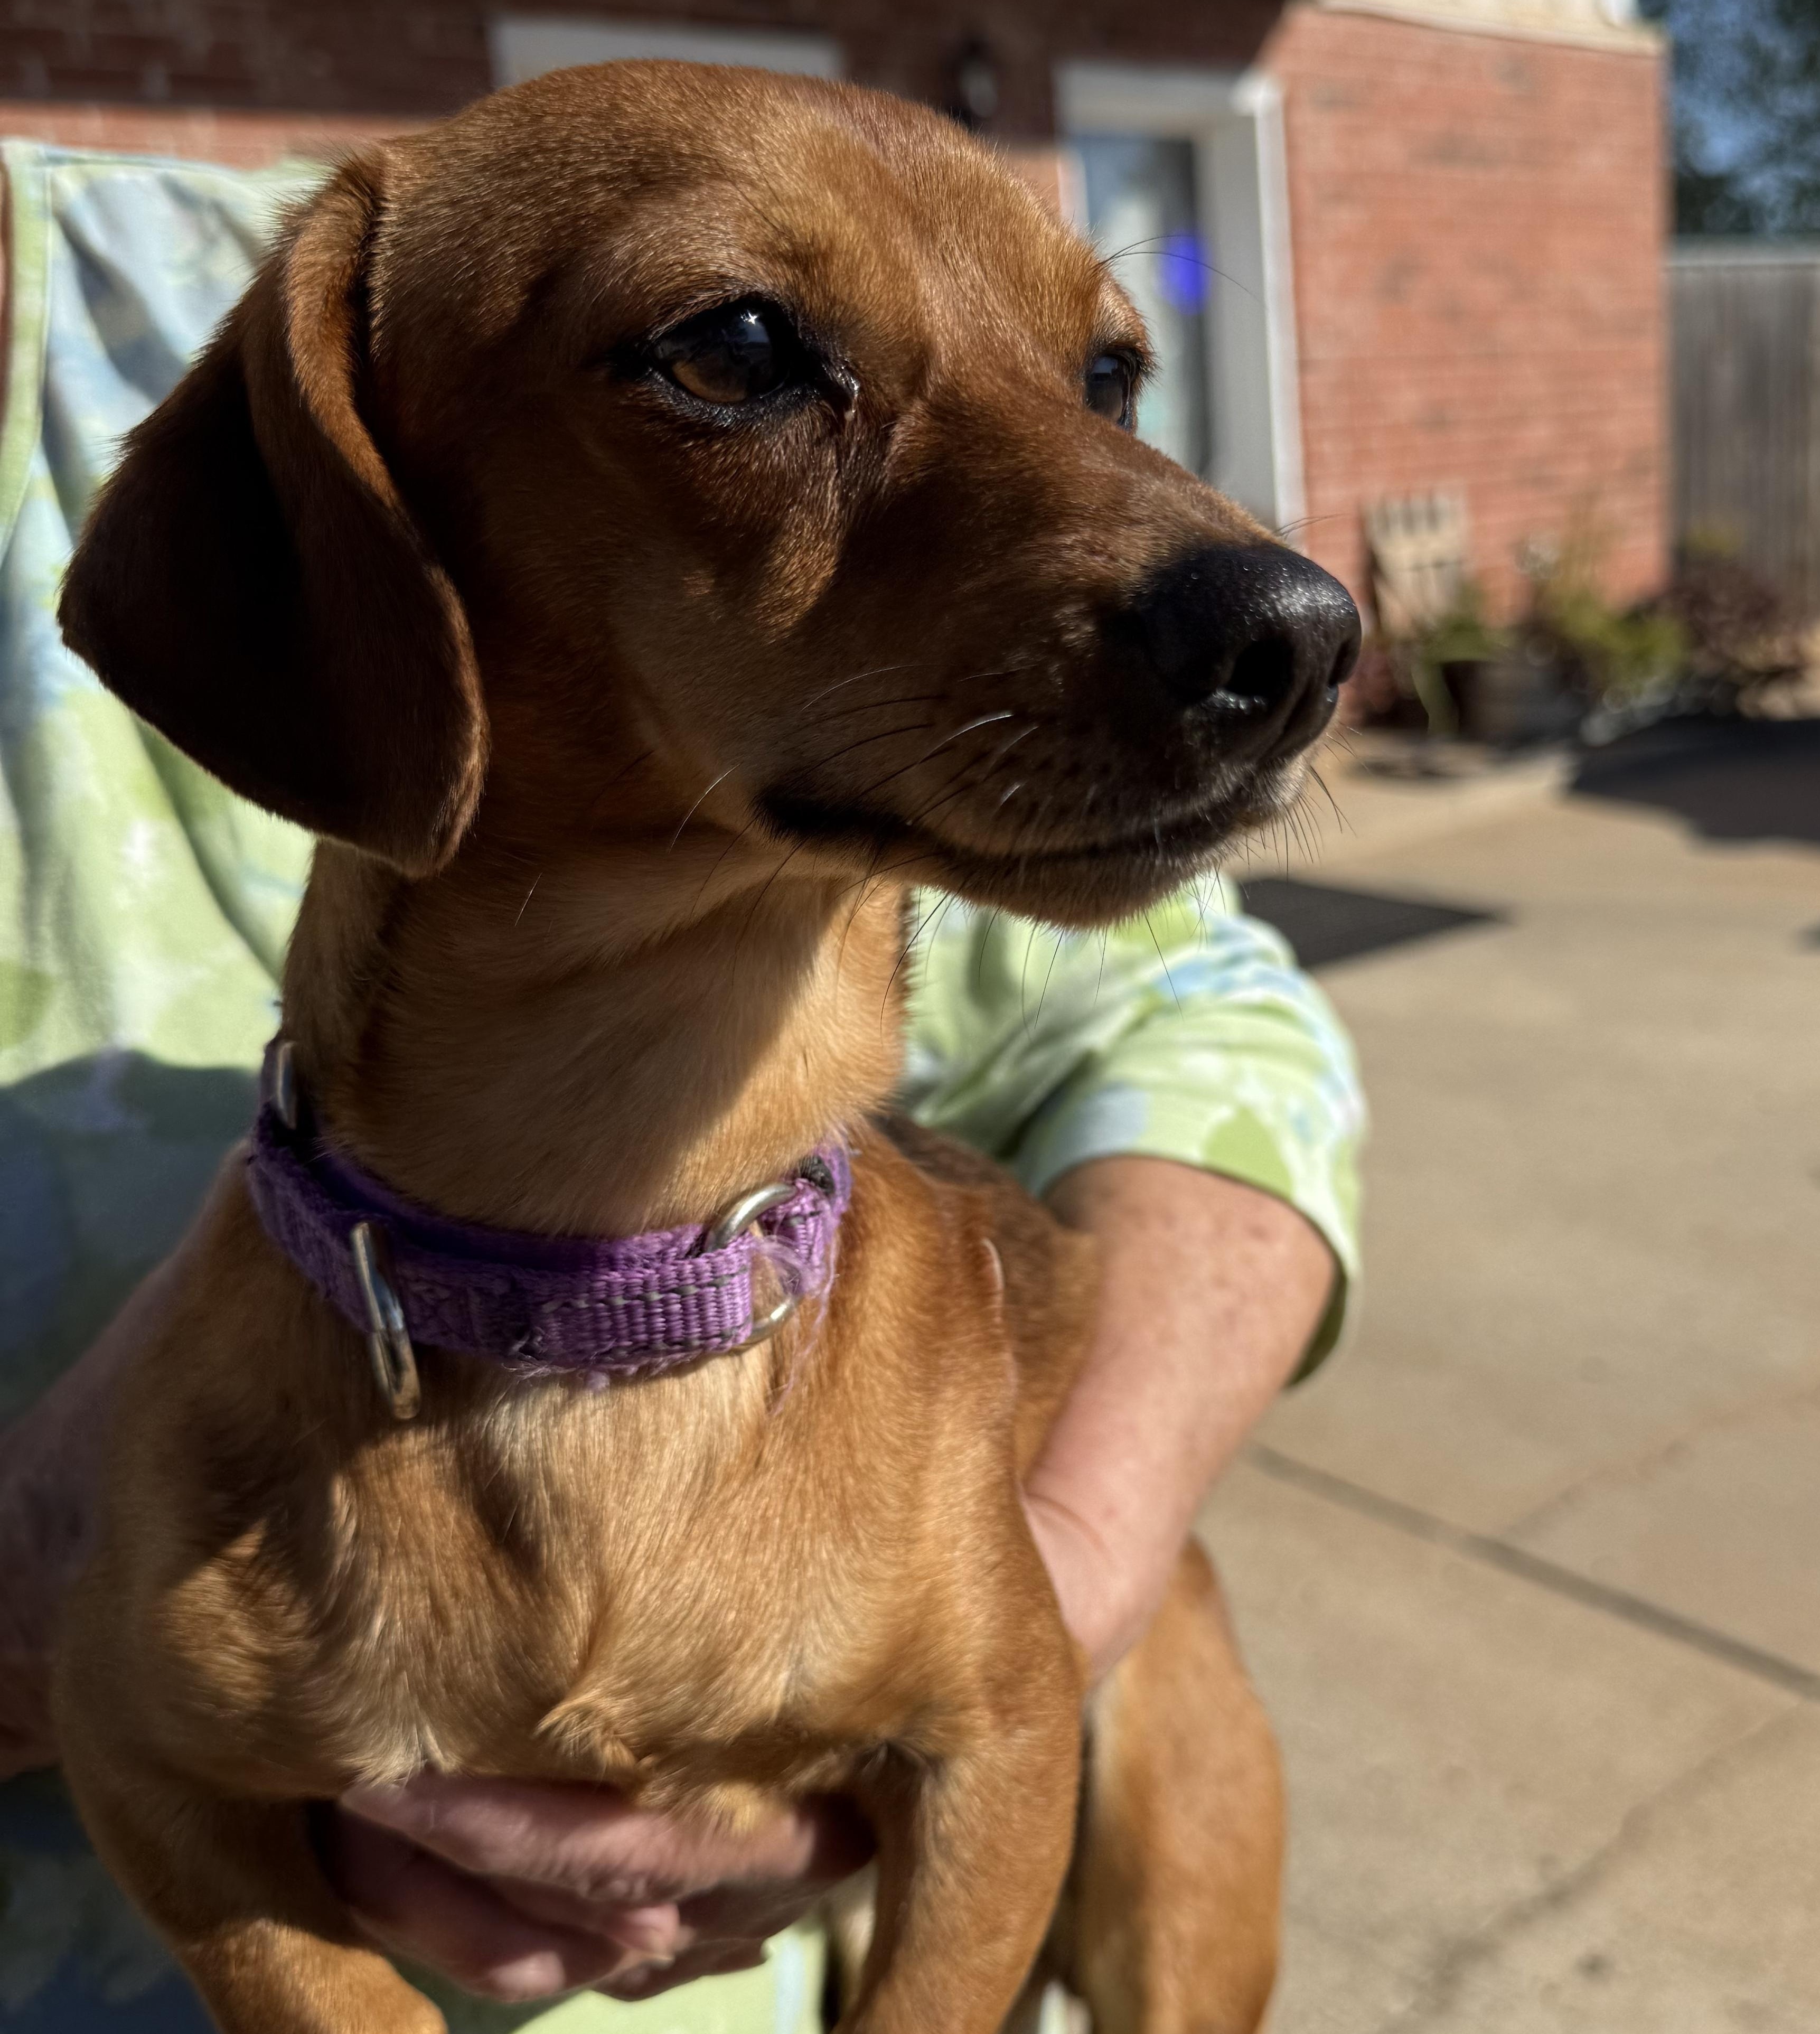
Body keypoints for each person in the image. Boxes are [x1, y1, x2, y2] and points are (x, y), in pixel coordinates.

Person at [0, 142, 1363, 2031]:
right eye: (739, 356)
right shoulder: (350, 338)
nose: (1210, 561)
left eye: (1098, 378)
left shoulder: (165, 258)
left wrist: (1070, 1574)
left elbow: (1205, 1028)